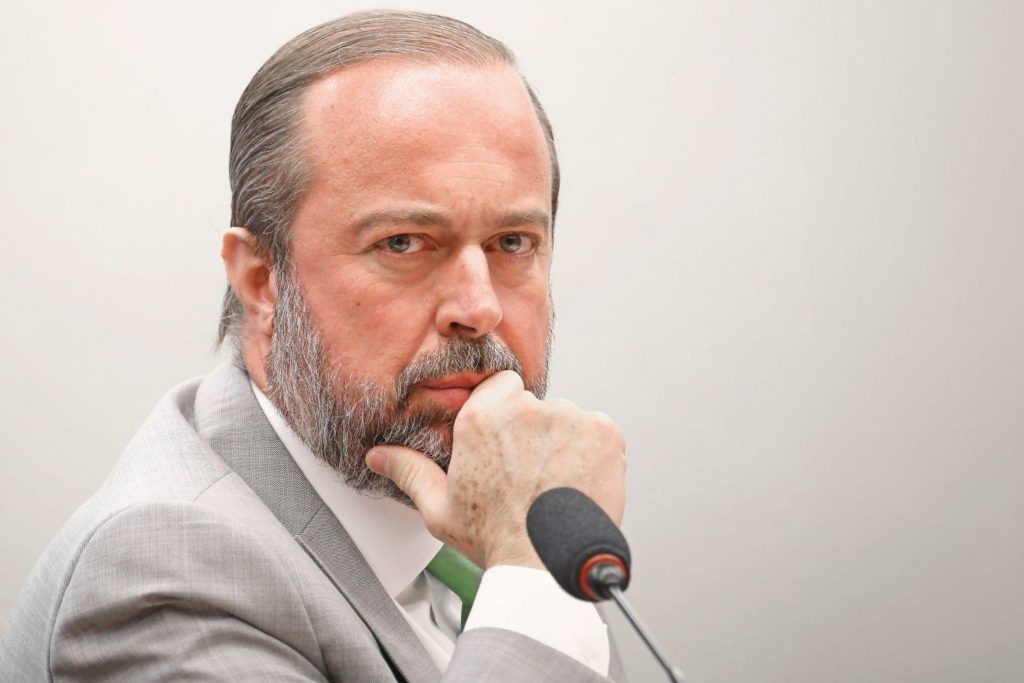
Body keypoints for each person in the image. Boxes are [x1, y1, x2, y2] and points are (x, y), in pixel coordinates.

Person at [0, 10, 627, 682]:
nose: (479, 309)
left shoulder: (494, 500)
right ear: (260, 280)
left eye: (512, 243)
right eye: (403, 243)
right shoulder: (163, 572)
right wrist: (534, 580)